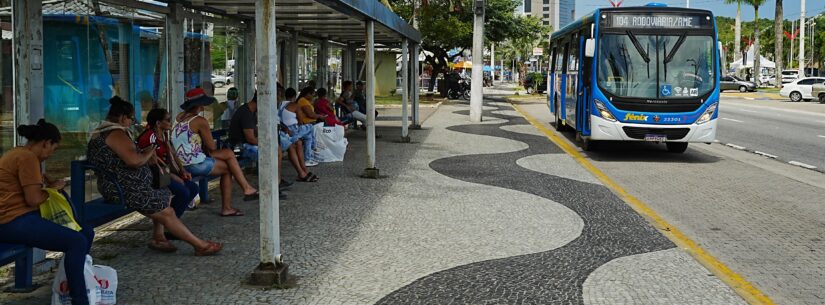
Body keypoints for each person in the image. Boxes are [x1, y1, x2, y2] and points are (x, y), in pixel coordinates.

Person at [87, 97, 221, 255]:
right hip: (122, 188)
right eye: (131, 118)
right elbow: (134, 161)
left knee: (165, 195)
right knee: (167, 211)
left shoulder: (107, 131)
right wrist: (149, 151)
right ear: (123, 117)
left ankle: (159, 237)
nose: (131, 121)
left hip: (125, 184)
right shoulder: (115, 134)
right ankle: (199, 245)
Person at [0, 120, 94, 305]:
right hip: (13, 221)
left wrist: (48, 186)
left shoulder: (19, 153)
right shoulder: (27, 158)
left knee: (85, 232)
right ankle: (79, 300)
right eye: (53, 148)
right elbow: (33, 199)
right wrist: (55, 189)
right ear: (46, 142)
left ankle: (71, 283)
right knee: (76, 241)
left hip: (20, 218)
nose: (51, 154)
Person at [172, 88, 259, 217]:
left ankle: (246, 189)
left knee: (229, 155)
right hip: (193, 163)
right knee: (228, 166)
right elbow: (212, 147)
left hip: (180, 161)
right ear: (200, 105)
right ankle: (233, 202)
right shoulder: (200, 121)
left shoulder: (179, 117)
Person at [137, 108, 199, 220]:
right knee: (183, 192)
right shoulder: (149, 137)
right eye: (168, 120)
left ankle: (172, 219)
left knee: (193, 187)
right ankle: (170, 221)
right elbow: (151, 164)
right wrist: (171, 176)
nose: (171, 122)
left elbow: (173, 154)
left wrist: (182, 170)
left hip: (164, 173)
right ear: (158, 123)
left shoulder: (164, 135)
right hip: (152, 176)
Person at [281, 88, 319, 181]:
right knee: (310, 127)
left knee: (298, 143)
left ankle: (304, 169)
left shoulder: (280, 104)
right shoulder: (295, 105)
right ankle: (308, 159)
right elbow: (301, 120)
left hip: (285, 130)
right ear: (294, 96)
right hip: (290, 130)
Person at [292, 87, 326, 166]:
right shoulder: (303, 101)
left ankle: (308, 158)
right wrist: (320, 116)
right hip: (307, 124)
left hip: (309, 124)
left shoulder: (306, 101)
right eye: (312, 94)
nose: (313, 96)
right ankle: (307, 158)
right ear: (307, 94)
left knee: (309, 140)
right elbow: (310, 114)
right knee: (307, 140)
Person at [228, 92, 259, 162]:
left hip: (244, 145)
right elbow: (250, 139)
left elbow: (256, 132)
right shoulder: (245, 113)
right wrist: (265, 145)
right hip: (238, 147)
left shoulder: (252, 112)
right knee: (266, 153)